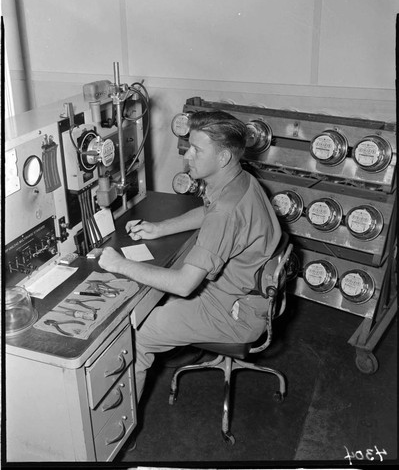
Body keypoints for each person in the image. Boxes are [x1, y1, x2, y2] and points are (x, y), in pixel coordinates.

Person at [98, 110, 282, 412]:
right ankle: (181, 336)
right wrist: (160, 227)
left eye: (197, 150)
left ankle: (122, 433)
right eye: (189, 146)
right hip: (246, 293)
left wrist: (120, 264)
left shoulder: (226, 211)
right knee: (159, 300)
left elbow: (184, 285)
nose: (188, 157)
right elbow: (209, 211)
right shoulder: (240, 179)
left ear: (223, 157)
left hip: (233, 313)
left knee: (134, 338)